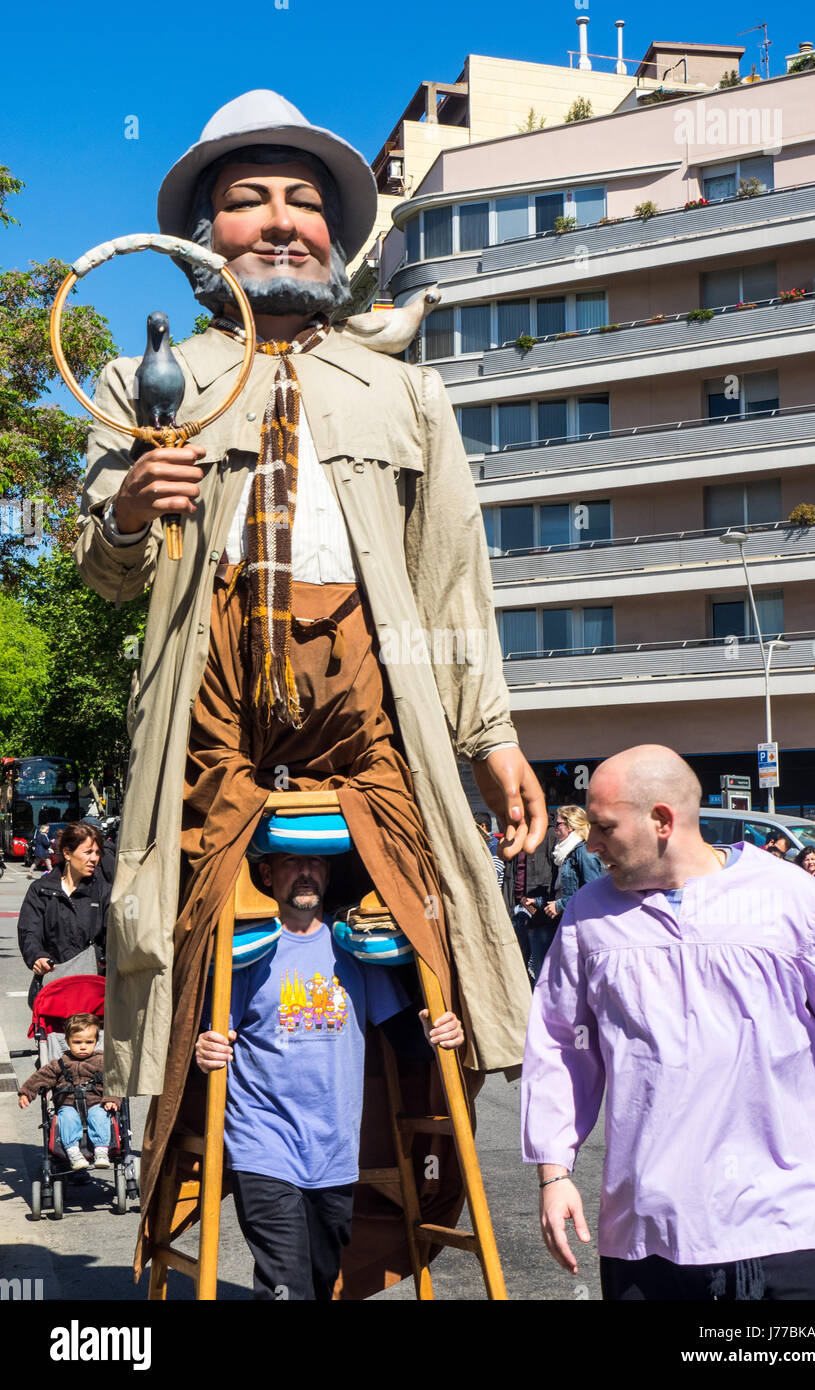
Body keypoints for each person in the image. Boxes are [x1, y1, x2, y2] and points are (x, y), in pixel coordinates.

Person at [74, 90, 544, 1285]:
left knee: (417, 990)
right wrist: (128, 510)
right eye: (248, 202)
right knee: (200, 1020)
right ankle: (193, 1261)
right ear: (202, 236)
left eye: (303, 202)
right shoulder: (153, 382)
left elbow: (450, 587)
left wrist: (488, 735)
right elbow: (104, 571)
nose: (280, 223)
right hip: (210, 747)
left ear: (335, 231)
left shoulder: (405, 394)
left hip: (380, 747)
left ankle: (370, 1254)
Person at [522, 744, 815, 1301]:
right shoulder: (590, 917)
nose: (591, 843)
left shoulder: (793, 902)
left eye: (605, 826)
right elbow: (561, 1046)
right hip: (644, 1225)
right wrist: (553, 1169)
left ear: (662, 819)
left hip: (777, 1224)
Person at [195, 849, 463, 1300]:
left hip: (335, 1151)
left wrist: (439, 1030)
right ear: (266, 872)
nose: (305, 872)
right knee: (285, 1284)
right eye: (292, 862)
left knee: (321, 1282)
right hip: (262, 1143)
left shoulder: (353, 948)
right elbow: (212, 1035)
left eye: (315, 863)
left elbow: (410, 1044)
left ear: (328, 872)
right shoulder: (245, 948)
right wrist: (207, 1046)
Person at [17, 822, 110, 1007]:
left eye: (97, 853)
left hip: (94, 992)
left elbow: (113, 937)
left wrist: (105, 957)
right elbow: (29, 931)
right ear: (67, 853)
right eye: (88, 852)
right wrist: (36, 956)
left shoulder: (103, 891)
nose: (94, 859)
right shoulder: (41, 890)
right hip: (54, 988)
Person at [17, 1013, 119, 1170]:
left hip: (96, 1102)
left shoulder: (101, 1061)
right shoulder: (60, 1063)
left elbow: (114, 1081)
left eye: (89, 1042)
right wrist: (26, 1092)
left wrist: (111, 1098)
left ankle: (101, 1150)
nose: (83, 1046)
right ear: (67, 1042)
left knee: (100, 1115)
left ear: (96, 1042)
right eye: (77, 1042)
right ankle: (73, 1152)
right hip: (68, 1104)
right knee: (67, 1118)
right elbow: (41, 1077)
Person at [536, 806, 604, 979]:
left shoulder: (584, 853)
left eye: (558, 824)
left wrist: (560, 905)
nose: (555, 828)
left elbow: (592, 891)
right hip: (566, 919)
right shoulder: (564, 853)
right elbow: (562, 890)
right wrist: (538, 901)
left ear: (571, 826)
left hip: (580, 923)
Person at [502, 827, 555, 979]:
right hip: (515, 907)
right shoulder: (514, 834)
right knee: (515, 968)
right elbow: (508, 875)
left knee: (541, 968)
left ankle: (539, 1001)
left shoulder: (548, 833)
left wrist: (545, 903)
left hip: (539, 911)